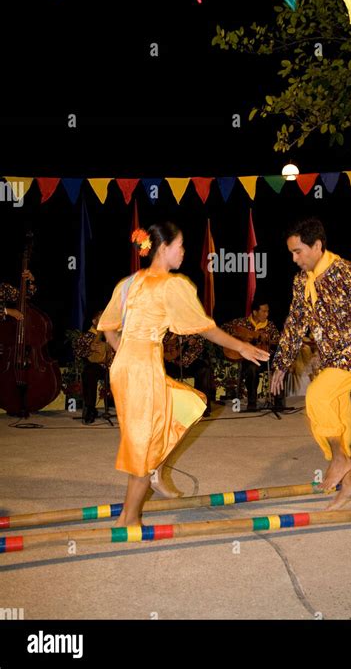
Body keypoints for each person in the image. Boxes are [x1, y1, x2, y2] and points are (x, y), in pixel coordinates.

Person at [98, 223, 269, 527]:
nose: (184, 251)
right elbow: (206, 328)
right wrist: (240, 345)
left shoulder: (128, 283)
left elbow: (108, 325)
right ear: (164, 249)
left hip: (126, 367)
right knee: (144, 443)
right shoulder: (171, 284)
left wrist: (125, 349)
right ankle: (129, 518)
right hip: (141, 371)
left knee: (187, 405)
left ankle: (155, 472)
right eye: (180, 245)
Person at [271, 217, 351, 509]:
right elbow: (295, 322)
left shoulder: (345, 271)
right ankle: (350, 482)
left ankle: (340, 460)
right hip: (332, 359)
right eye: (291, 253)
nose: (294, 259)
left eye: (298, 251)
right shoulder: (302, 281)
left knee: (316, 395)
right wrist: (281, 363)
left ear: (317, 245)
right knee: (331, 418)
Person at [223, 300, 280, 411]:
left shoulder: (270, 326)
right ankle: (252, 402)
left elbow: (279, 341)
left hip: (265, 360)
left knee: (279, 365)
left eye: (267, 311)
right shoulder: (241, 322)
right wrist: (243, 336)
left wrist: (267, 340)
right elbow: (225, 328)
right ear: (254, 312)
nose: (266, 314)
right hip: (245, 359)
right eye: (263, 311)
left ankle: (278, 402)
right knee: (251, 368)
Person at [73, 311, 115, 424]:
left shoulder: (112, 334)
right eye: (101, 319)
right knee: (89, 372)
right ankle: (90, 409)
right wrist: (90, 348)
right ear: (94, 321)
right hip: (98, 367)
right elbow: (77, 351)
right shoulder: (88, 336)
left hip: (114, 367)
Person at [163, 331, 214, 417]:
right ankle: (163, 406)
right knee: (158, 368)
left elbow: (188, 359)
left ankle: (202, 406)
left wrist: (186, 345)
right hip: (168, 362)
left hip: (186, 362)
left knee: (204, 369)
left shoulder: (196, 335)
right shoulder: (165, 328)